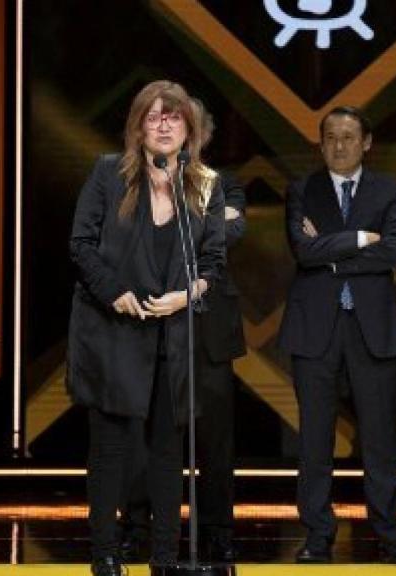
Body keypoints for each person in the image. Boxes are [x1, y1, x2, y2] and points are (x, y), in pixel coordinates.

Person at [67, 80, 225, 576]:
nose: (163, 125)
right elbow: (82, 244)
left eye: (173, 117)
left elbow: (213, 261)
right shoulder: (109, 173)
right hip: (114, 329)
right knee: (111, 449)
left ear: (189, 129)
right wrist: (114, 291)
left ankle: (164, 557)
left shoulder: (203, 183)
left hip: (171, 336)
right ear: (138, 126)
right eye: (153, 116)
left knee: (167, 451)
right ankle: (106, 554)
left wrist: (189, 293)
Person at [277, 106, 396, 564]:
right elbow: (303, 251)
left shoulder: (389, 189)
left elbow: (394, 251)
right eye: (330, 137)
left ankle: (391, 535)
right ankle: (318, 536)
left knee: (379, 440)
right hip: (315, 329)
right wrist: (359, 239)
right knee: (314, 440)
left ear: (367, 142)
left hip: (371, 328)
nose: (339, 145)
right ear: (320, 144)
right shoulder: (302, 190)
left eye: (349, 137)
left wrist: (328, 251)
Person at [117, 101, 246, 563]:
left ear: (199, 135)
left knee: (213, 438)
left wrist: (211, 221)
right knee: (143, 434)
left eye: (185, 124)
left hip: (205, 331)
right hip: (149, 325)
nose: (172, 129)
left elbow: (228, 234)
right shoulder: (133, 183)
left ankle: (218, 529)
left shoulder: (221, 183)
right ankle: (136, 525)